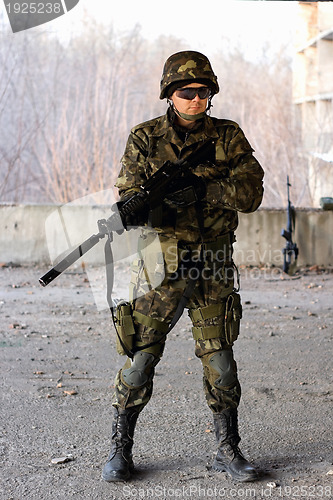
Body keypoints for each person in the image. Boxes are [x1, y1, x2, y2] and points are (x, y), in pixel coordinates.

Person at [102, 51, 264, 483]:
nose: (195, 98)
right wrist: (136, 210)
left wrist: (204, 191)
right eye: (185, 92)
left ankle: (227, 450)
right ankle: (120, 449)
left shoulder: (228, 136)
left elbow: (250, 193)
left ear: (211, 94)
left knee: (221, 360)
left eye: (203, 91)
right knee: (140, 359)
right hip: (159, 266)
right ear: (169, 95)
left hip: (212, 264)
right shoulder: (145, 138)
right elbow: (129, 195)